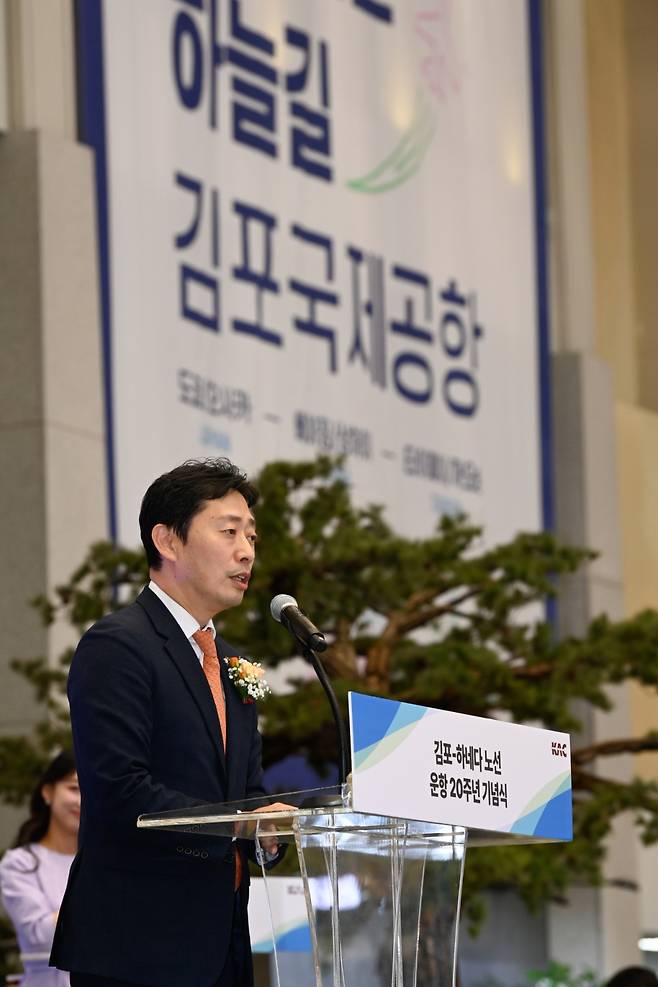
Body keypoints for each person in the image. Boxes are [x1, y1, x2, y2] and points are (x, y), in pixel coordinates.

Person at [50, 458, 287, 987]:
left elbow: (246, 793)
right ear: (167, 540)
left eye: (251, 536)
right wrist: (238, 824)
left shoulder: (231, 663)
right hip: (137, 946)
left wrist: (267, 832)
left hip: (222, 945)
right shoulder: (118, 645)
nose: (247, 551)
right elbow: (120, 790)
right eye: (229, 531)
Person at [0, 750, 79, 986]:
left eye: (90, 791)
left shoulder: (104, 859)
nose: (82, 801)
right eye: (74, 788)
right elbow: (40, 935)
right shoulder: (20, 863)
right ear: (48, 792)